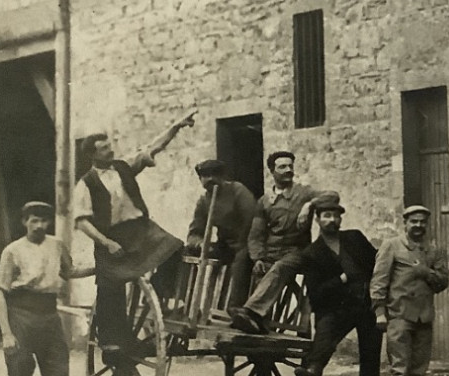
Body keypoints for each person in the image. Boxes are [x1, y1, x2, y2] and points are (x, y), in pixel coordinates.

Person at [73, 113, 196, 356]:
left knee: (175, 248)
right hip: (111, 238)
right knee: (110, 287)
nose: (110, 151)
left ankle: (160, 293)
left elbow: (154, 146)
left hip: (140, 229)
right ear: (92, 155)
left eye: (110, 146)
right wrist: (106, 243)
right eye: (104, 148)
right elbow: (82, 222)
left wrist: (176, 126)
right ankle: (115, 343)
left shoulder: (123, 167)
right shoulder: (85, 184)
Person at [0, 201, 95, 376]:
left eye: (43, 220)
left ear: (49, 222)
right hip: (21, 315)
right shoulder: (12, 251)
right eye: (33, 220)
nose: (39, 225)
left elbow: (69, 272)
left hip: (49, 316)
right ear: (24, 222)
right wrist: (7, 333)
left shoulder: (57, 245)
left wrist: (99, 268)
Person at [285, 192, 383, 376]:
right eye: (326, 216)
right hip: (336, 307)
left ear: (341, 220)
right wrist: (341, 280)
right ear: (317, 219)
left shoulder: (355, 239)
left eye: (335, 216)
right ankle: (314, 370)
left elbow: (377, 263)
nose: (331, 220)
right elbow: (316, 294)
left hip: (365, 304)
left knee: (371, 353)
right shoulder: (312, 253)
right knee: (325, 330)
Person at [372, 205, 449, 376]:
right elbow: (379, 281)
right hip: (399, 314)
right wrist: (379, 311)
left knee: (418, 366)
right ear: (405, 223)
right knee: (400, 364)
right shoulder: (392, 246)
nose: (418, 226)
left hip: (424, 316)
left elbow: (443, 282)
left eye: (422, 222)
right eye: (413, 221)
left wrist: (425, 271)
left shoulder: (434, 251)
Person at [229, 151, 317, 334]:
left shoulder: (304, 193)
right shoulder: (265, 201)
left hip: (297, 252)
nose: (288, 170)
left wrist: (309, 205)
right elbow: (256, 234)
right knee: (260, 272)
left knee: (279, 268)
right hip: (272, 251)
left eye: (290, 166)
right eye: (282, 167)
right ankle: (259, 328)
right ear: (272, 171)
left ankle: (250, 312)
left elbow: (331, 196)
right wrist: (258, 258)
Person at [185, 158, 259, 310]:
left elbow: (253, 221)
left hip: (246, 243)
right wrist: (199, 243)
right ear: (200, 179)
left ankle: (235, 309)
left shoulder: (237, 190)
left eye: (215, 174)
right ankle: (180, 300)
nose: (210, 179)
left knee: (241, 262)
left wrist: (242, 245)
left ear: (223, 176)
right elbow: (195, 232)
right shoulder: (204, 201)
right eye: (205, 175)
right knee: (185, 251)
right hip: (224, 246)